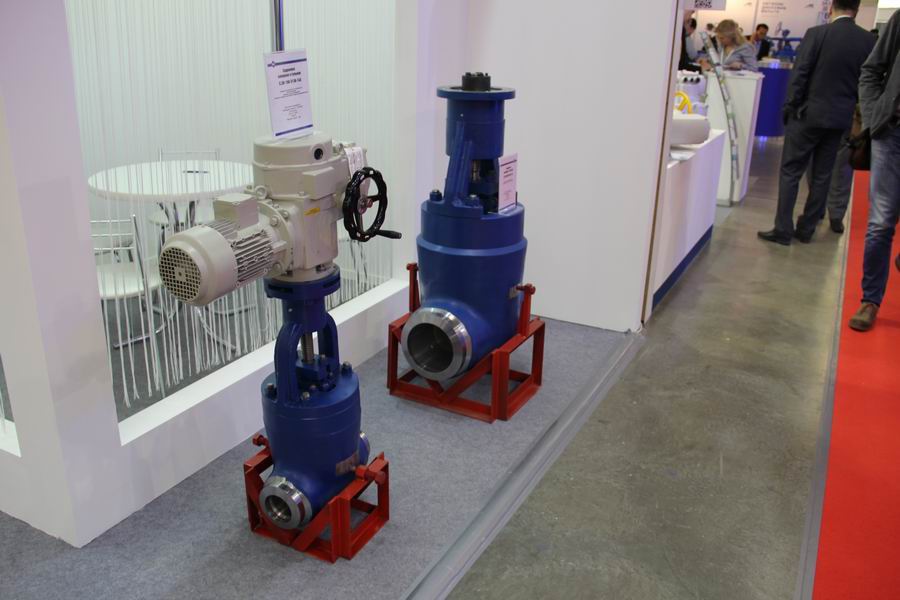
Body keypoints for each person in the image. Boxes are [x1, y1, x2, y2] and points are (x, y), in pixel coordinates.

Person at [757, 0, 875, 246]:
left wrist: (790, 107)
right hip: (840, 118)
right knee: (823, 174)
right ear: (857, 9)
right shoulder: (867, 40)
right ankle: (807, 229)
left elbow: (800, 73)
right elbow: (867, 81)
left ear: (831, 6)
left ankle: (783, 229)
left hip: (808, 115)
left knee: (791, 171)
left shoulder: (817, 33)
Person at [848, 10, 900, 331]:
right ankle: (870, 300)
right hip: (891, 133)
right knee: (881, 222)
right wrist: (872, 118)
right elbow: (871, 70)